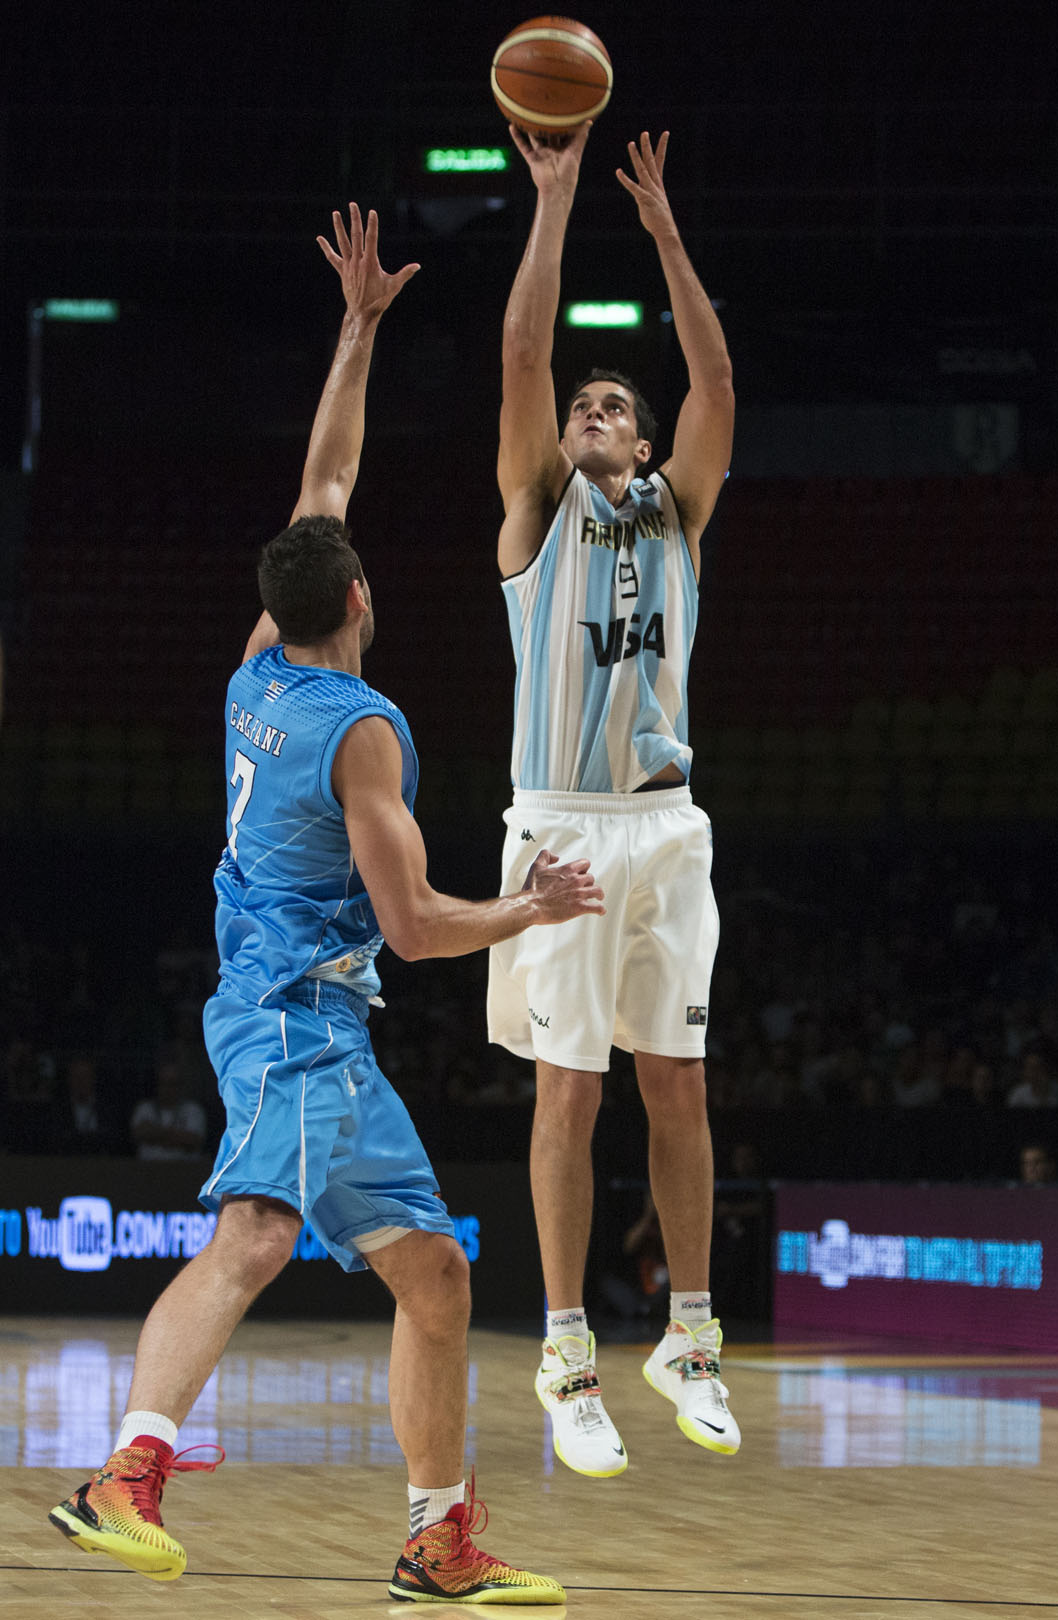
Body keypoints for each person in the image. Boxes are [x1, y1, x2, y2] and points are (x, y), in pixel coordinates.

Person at [49, 204, 604, 1604]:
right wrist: (532, 909)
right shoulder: (360, 726)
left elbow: (325, 476)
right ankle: (125, 1476)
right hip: (298, 1016)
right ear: (359, 595)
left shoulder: (257, 671)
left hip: (300, 1019)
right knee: (251, 1234)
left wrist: (358, 329)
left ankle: (436, 1535)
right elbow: (414, 928)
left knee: (431, 1277)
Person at [487, 121, 739, 1476]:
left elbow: (714, 376)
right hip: (564, 826)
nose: (592, 415)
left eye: (613, 409)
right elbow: (524, 354)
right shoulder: (540, 512)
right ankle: (568, 1347)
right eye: (582, 410)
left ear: (644, 442)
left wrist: (665, 234)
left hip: (667, 824)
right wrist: (560, 192)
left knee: (681, 1081)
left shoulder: (681, 518)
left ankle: (689, 1339)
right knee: (570, 1098)